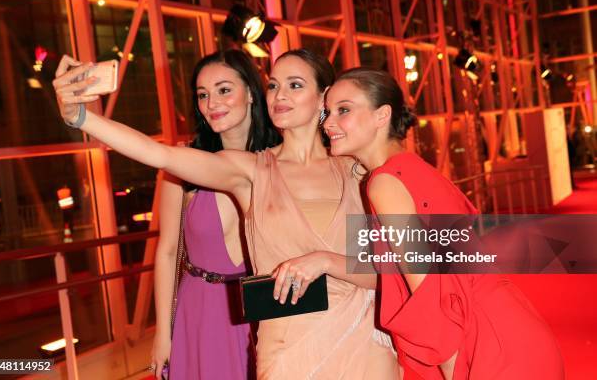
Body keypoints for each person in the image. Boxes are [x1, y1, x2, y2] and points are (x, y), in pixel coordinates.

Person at [53, 49, 398, 379]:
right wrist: (81, 117)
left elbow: (410, 266)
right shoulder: (251, 171)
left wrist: (327, 262)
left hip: (361, 345)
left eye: (295, 85)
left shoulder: (357, 171)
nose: (279, 95)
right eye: (274, 85)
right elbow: (158, 155)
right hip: (288, 352)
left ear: (324, 96)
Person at [323, 67, 565, 379]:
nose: (328, 123)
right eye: (328, 112)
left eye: (343, 110)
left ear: (382, 115)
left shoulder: (384, 183)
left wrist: (454, 369)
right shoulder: (412, 169)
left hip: (485, 345)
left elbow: (430, 295)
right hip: (506, 329)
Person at [155, 50, 280, 379]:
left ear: (251, 93)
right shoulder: (182, 166)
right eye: (203, 95)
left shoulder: (281, 164)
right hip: (202, 312)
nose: (212, 103)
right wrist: (161, 333)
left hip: (266, 307)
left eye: (224, 90)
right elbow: (167, 252)